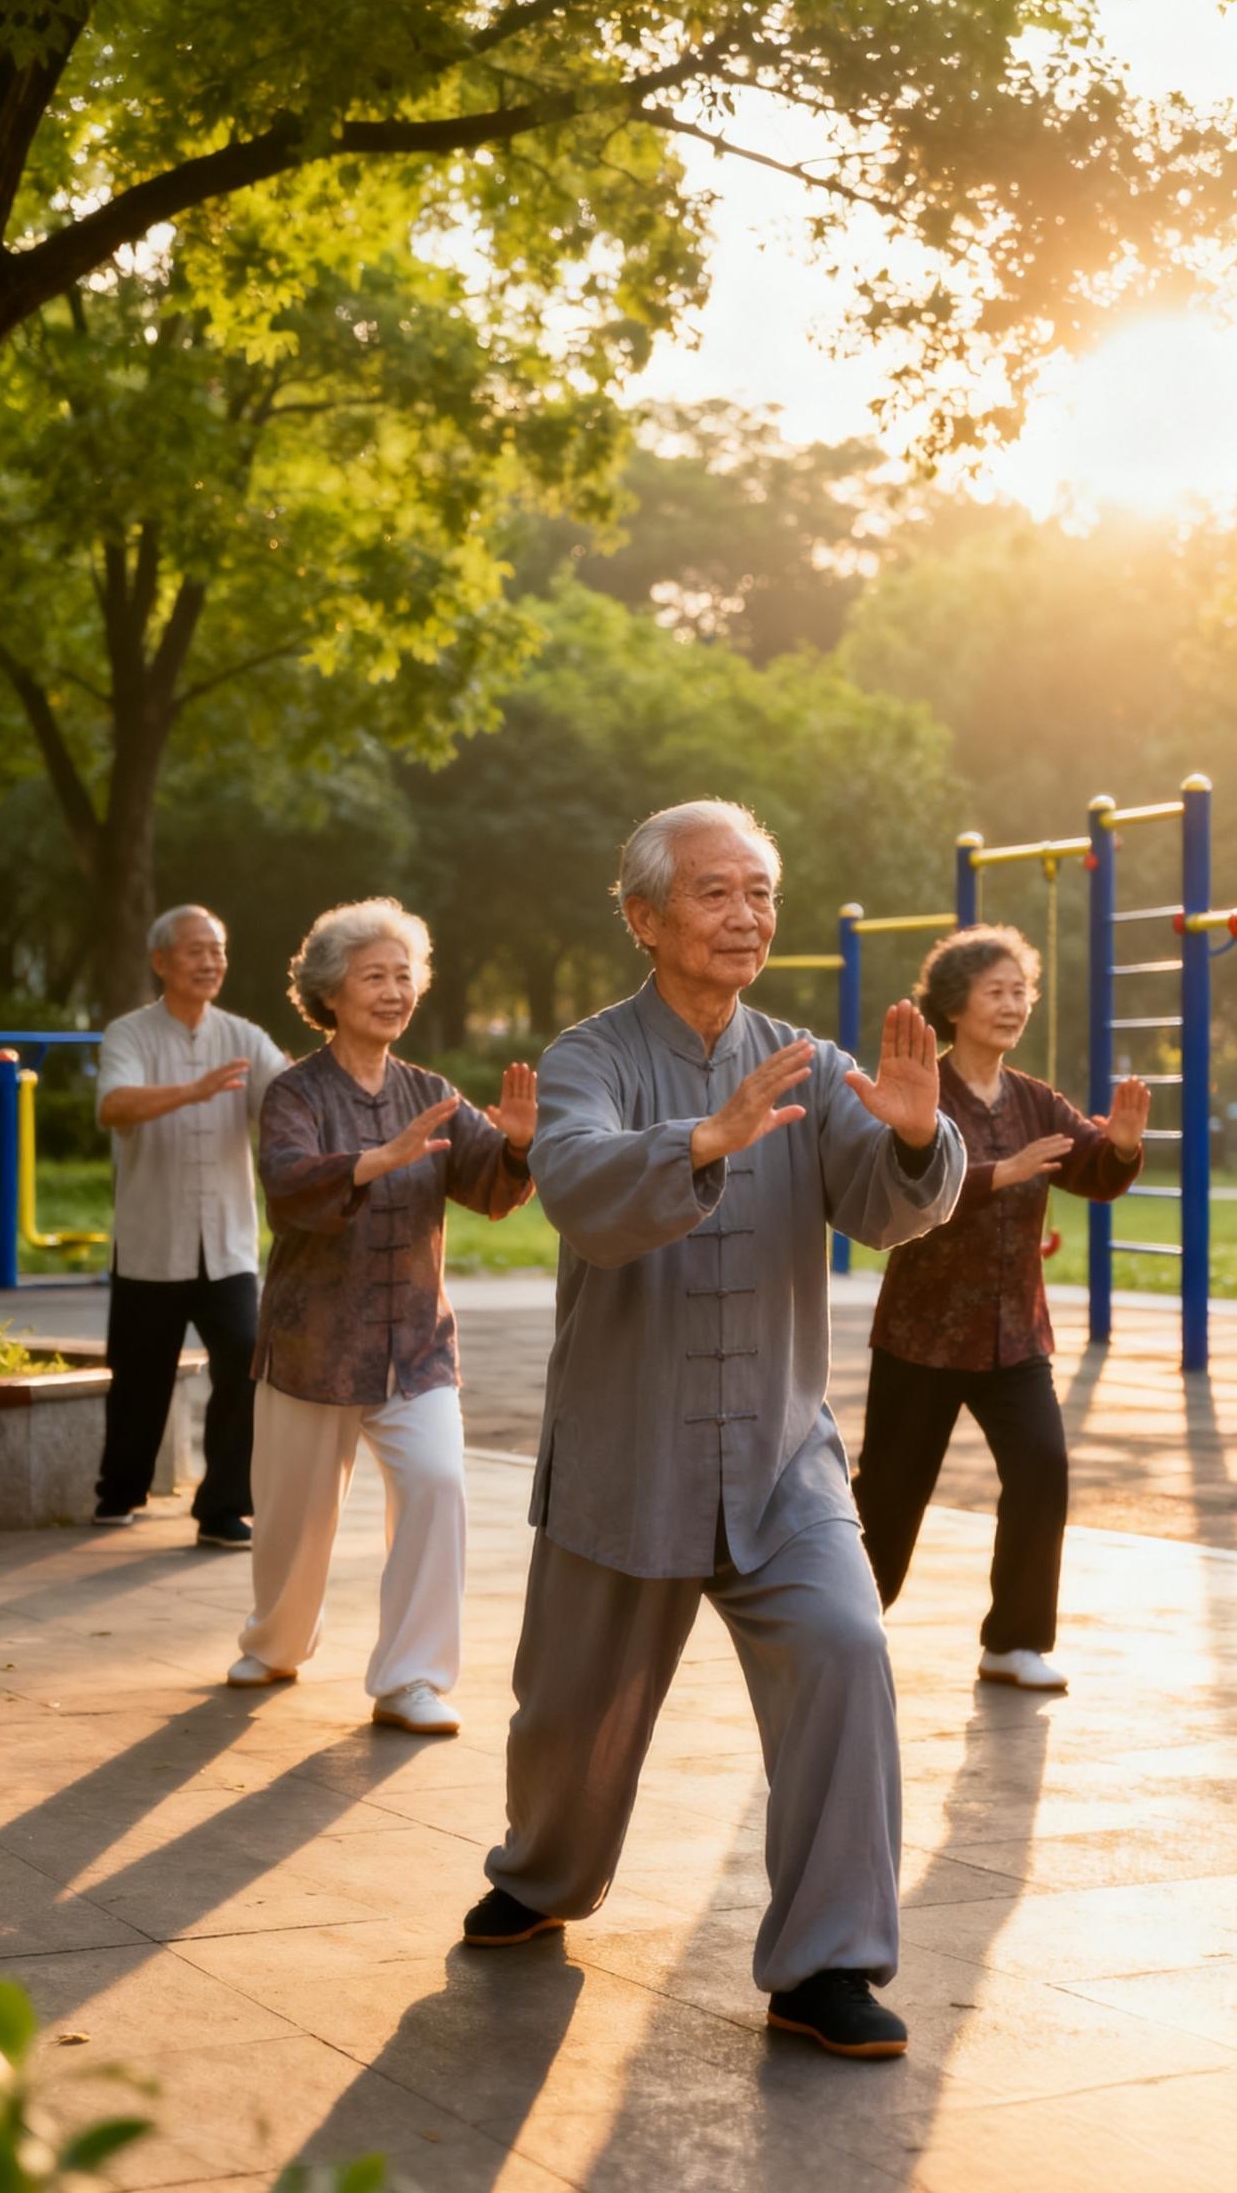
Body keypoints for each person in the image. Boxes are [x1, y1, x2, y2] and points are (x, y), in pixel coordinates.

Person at [463, 800, 966, 2061]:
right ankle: (538, 1877)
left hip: (779, 1447)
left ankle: (825, 1966)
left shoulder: (805, 1055)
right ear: (641, 917)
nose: (744, 915)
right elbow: (573, 1186)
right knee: (570, 1720)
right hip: (626, 1445)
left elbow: (880, 1203)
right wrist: (703, 1140)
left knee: (847, 1650)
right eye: (712, 893)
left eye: (758, 893)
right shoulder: (587, 1056)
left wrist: (914, 1135)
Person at [225, 897, 537, 1732]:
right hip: (311, 1348)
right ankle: (278, 1641)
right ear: (331, 992)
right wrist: (375, 1161)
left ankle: (412, 1679)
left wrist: (514, 1143)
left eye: (405, 976)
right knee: (294, 1529)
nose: (395, 991)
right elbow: (289, 1189)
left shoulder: (429, 1091)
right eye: (375, 976)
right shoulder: (294, 1091)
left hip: (416, 1348)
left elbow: (490, 1186)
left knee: (438, 1485)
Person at [852, 923, 1149, 1693]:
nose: (1014, 1005)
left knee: (1043, 1469)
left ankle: (1014, 1642)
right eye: (997, 991)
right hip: (923, 1333)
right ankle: (846, 1629)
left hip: (1014, 1337)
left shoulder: (1034, 1099)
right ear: (955, 1005)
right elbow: (907, 1186)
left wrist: (1117, 1146)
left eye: (1022, 991)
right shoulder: (926, 1091)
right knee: (887, 1494)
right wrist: (1002, 1171)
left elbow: (1088, 1170)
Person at [92, 905, 288, 1548]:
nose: (210, 962)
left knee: (247, 1360)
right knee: (140, 1379)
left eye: (218, 950)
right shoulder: (129, 1035)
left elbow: (286, 1103)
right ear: (161, 962)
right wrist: (192, 1092)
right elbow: (113, 1105)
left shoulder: (245, 1037)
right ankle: (120, 1491)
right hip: (152, 1242)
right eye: (195, 950)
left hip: (228, 1245)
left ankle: (223, 1506)